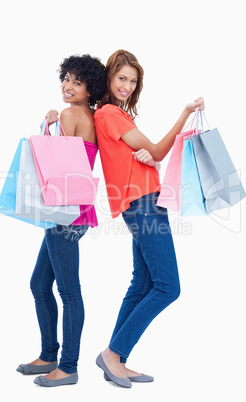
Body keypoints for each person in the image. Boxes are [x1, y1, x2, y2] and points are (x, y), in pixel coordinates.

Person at [94, 49, 205, 388]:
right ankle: (114, 352)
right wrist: (186, 112)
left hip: (143, 201)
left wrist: (150, 161)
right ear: (109, 77)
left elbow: (148, 157)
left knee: (141, 283)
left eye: (133, 80)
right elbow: (157, 150)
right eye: (121, 78)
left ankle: (117, 358)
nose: (127, 85)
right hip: (142, 204)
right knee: (168, 287)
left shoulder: (113, 115)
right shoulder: (111, 113)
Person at [16, 54, 107, 387]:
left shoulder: (70, 114)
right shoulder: (93, 116)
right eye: (66, 79)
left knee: (68, 292)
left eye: (77, 82)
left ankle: (68, 366)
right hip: (76, 212)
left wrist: (51, 126)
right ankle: (49, 355)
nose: (68, 87)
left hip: (63, 214)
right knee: (39, 285)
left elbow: (54, 162)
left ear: (90, 89)